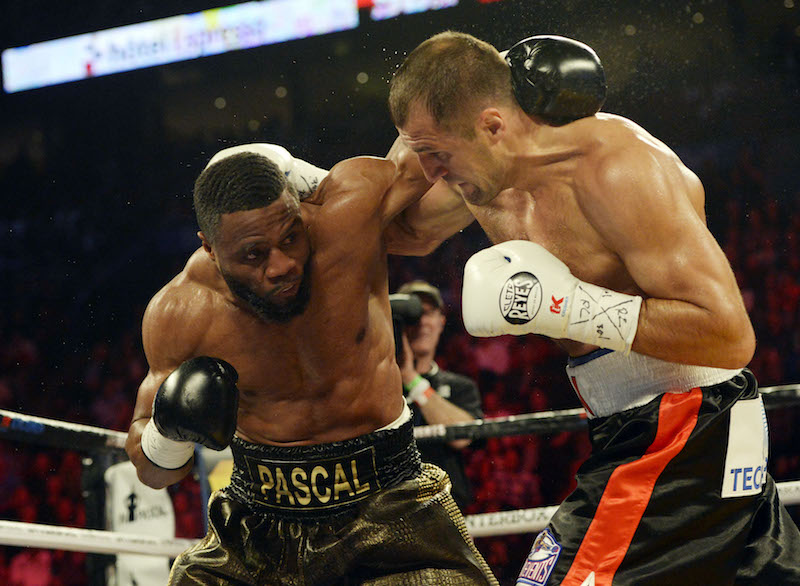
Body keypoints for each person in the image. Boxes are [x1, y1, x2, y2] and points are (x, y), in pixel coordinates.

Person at [389, 32, 800, 585]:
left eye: (438, 154)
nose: (431, 173)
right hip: (631, 425)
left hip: (686, 424)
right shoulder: (478, 178)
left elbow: (729, 335)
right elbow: (405, 231)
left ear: (492, 125)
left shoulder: (616, 167)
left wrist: (567, 308)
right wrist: (306, 196)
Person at [124, 142, 499, 585]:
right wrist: (168, 434)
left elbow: (444, 146)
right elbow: (152, 473)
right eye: (253, 254)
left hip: (391, 506)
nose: (282, 265)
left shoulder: (346, 218)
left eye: (290, 237)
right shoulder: (181, 314)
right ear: (209, 248)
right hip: (257, 525)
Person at [393, 279, 483, 511]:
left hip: (448, 510)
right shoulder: (377, 389)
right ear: (398, 325)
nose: (422, 321)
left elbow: (462, 436)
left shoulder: (460, 386)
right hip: (392, 511)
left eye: (429, 313)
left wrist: (411, 379)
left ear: (441, 322)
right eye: (414, 314)